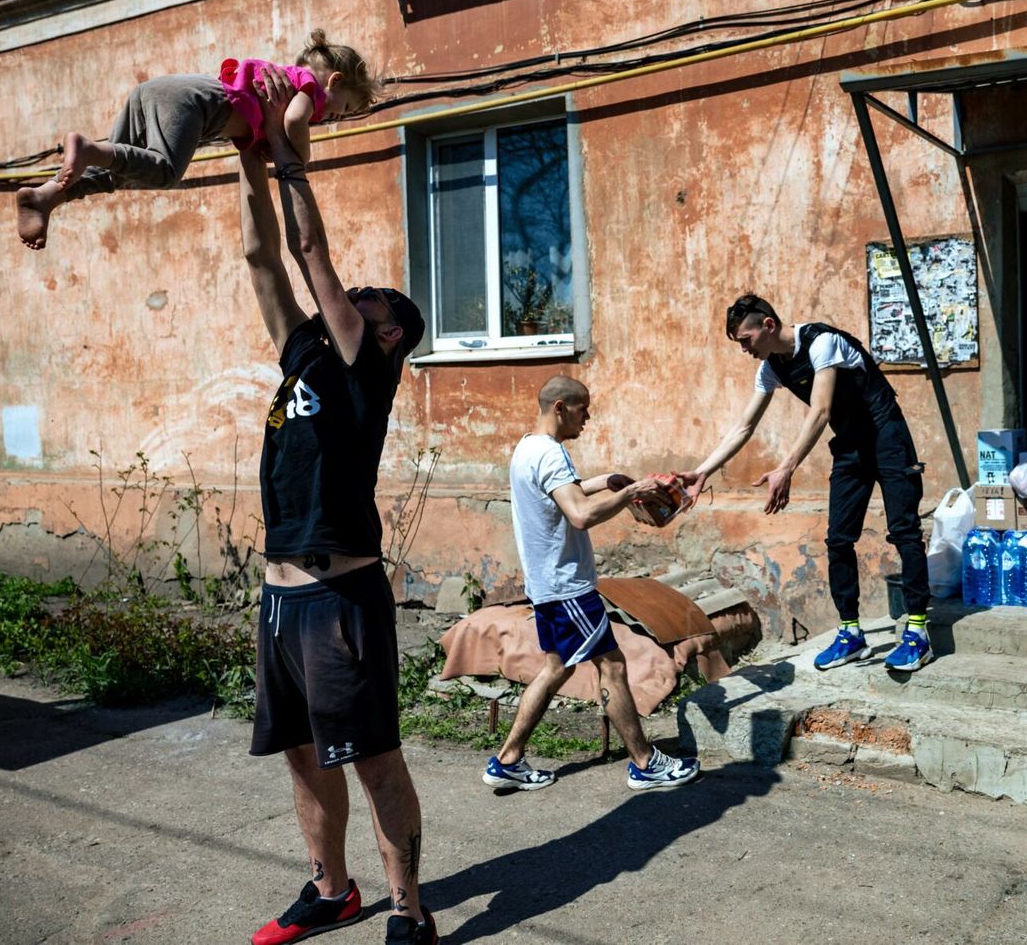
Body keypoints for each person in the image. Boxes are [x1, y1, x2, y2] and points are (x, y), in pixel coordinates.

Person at [238, 67, 437, 945]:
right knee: (302, 754)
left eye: (371, 300)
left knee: (374, 757)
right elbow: (262, 258)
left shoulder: (369, 365)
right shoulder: (305, 358)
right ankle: (332, 888)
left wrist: (287, 151)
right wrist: (247, 154)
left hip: (340, 595)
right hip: (281, 598)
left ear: (391, 331)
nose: (352, 297)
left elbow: (310, 254)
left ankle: (409, 909)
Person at [681, 294, 933, 673]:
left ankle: (917, 632)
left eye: (746, 340)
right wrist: (704, 471)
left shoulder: (822, 342)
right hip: (850, 446)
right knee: (838, 540)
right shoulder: (772, 367)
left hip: (887, 437)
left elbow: (821, 410)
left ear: (768, 325)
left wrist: (786, 467)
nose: (745, 350)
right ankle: (851, 634)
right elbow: (744, 427)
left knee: (904, 531)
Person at [482, 375, 702, 793]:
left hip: (548, 585)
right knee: (612, 666)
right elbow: (580, 515)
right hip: (568, 588)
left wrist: (606, 481)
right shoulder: (551, 454)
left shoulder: (529, 447)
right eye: (583, 408)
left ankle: (508, 760)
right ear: (561, 407)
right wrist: (631, 492)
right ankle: (644, 763)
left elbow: (563, 493)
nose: (589, 416)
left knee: (555, 669)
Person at [16, 29, 379, 250]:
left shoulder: (280, 89)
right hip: (194, 101)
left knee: (119, 172)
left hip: (161, 92)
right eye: (343, 109)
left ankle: (44, 197)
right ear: (334, 81)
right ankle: (88, 147)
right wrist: (301, 159)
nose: (335, 118)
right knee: (165, 172)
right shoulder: (308, 88)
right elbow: (297, 119)